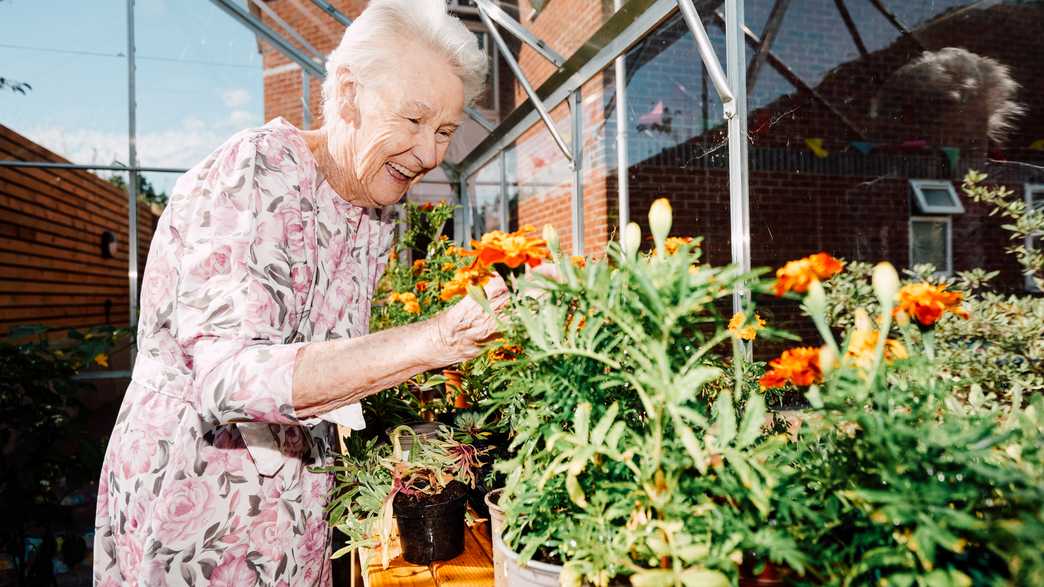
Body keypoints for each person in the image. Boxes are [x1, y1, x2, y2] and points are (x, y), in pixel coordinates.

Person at [93, 1, 506, 584]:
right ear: (345, 94)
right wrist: (434, 341)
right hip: (201, 501)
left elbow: (327, 365)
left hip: (295, 501)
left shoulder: (373, 213)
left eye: (443, 131)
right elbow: (229, 378)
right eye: (413, 121)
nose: (432, 154)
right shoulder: (255, 170)